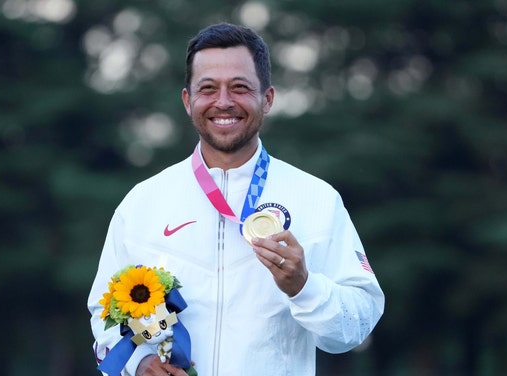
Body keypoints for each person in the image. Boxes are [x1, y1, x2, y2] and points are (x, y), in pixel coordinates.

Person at [88, 22, 384, 376]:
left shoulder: (316, 199)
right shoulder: (143, 202)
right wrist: (138, 364)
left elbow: (358, 324)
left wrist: (304, 288)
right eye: (208, 88)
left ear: (268, 98)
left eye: (240, 87)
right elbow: (103, 318)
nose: (223, 101)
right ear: (188, 100)